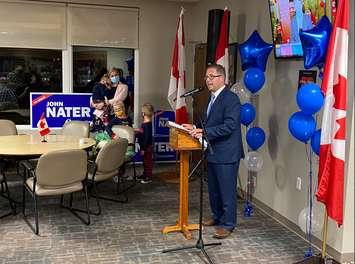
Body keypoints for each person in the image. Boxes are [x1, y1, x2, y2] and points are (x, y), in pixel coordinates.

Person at [182, 64, 244, 239]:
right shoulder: (212, 98)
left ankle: (228, 224)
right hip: (213, 151)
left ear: (222, 78)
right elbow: (211, 123)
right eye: (206, 77)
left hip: (227, 153)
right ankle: (217, 216)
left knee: (226, 190)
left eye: (211, 76)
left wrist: (205, 132)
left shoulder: (231, 98)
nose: (207, 80)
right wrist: (195, 127)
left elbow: (229, 126)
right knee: (214, 189)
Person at [135, 103, 154, 184]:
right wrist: (138, 132)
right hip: (146, 146)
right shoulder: (146, 123)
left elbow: (146, 138)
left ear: (143, 114)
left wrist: (143, 148)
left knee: (147, 162)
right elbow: (143, 134)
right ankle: (145, 174)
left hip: (146, 147)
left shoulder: (147, 125)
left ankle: (148, 177)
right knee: (145, 161)